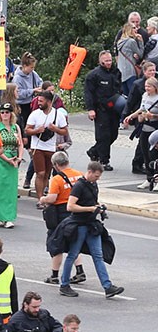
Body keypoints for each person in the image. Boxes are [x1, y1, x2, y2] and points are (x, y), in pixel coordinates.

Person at [59, 162, 124, 298]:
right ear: (89, 172)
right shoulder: (79, 186)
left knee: (98, 256)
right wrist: (90, 209)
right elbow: (70, 207)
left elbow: (91, 202)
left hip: (91, 225)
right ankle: (64, 285)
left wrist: (98, 207)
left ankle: (108, 287)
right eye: (96, 176)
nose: (97, 179)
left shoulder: (93, 185)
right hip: (79, 225)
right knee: (73, 254)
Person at [41, 151, 86, 285]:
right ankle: (80, 271)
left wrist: (43, 199)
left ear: (55, 165)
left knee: (56, 244)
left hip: (60, 214)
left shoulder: (57, 179)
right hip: (76, 213)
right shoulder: (79, 175)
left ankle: (54, 275)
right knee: (73, 242)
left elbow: (52, 198)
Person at [83, 50, 124, 170]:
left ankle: (94, 151)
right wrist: (90, 109)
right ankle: (104, 160)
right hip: (100, 109)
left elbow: (119, 88)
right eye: (106, 61)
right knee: (103, 136)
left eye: (110, 60)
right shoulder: (93, 75)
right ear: (100, 61)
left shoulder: (116, 72)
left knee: (113, 135)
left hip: (114, 108)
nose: (109, 63)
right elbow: (88, 93)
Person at [25, 90, 68, 200]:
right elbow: (27, 130)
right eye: (38, 101)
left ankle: (44, 196)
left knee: (47, 174)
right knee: (40, 173)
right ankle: (40, 198)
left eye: (41, 101)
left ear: (49, 102)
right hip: (37, 146)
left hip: (51, 147)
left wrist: (55, 129)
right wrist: (37, 130)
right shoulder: (35, 114)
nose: (39, 103)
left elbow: (64, 131)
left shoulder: (58, 114)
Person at [0, 104, 22, 228]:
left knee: (11, 189)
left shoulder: (15, 127)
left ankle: (8, 216)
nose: (5, 115)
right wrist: (7, 159)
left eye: (7, 112)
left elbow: (20, 144)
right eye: (2, 113)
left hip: (13, 158)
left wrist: (19, 158)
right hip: (1, 159)